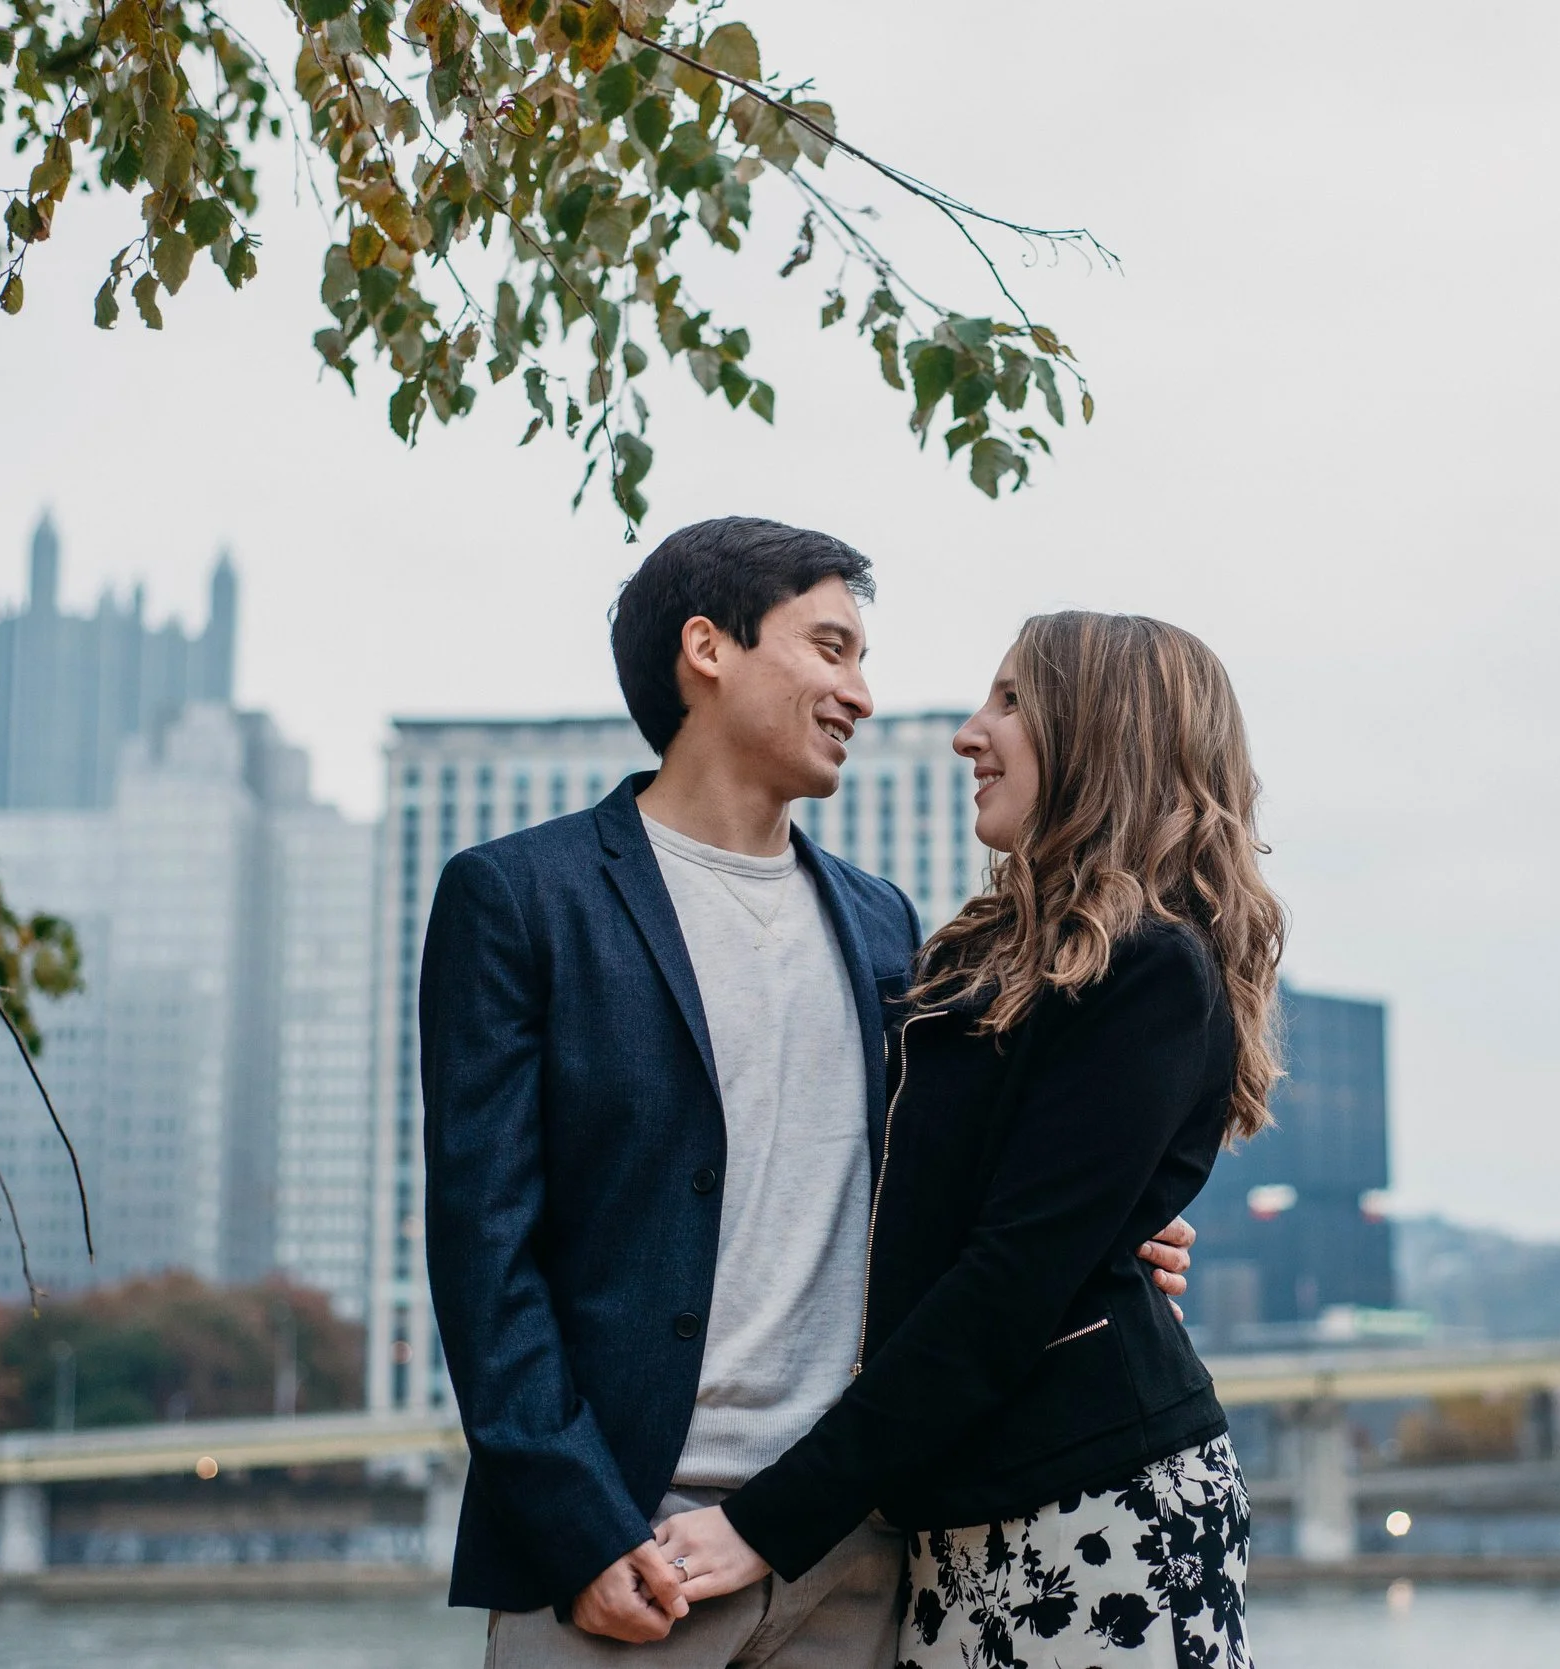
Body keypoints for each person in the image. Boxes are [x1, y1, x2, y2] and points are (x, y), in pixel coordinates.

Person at [418, 520, 1196, 1668]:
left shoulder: (886, 922)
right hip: (623, 1552)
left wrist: (1115, 1231)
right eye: (831, 648)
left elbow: (967, 1187)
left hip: (853, 1546)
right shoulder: (518, 897)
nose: (862, 695)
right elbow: (485, 1250)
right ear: (707, 648)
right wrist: (577, 1530)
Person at [656, 610, 1285, 1669]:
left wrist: (764, 1523)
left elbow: (1007, 1282)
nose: (967, 733)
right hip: (952, 1517)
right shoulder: (978, 956)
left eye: (1011, 701)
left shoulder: (1151, 971)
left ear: (1101, 733)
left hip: (1098, 1509)